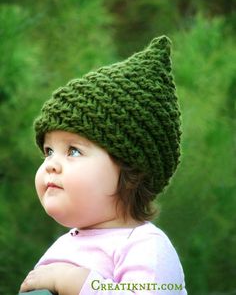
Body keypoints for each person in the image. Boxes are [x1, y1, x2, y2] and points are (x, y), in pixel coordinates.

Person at [19, 36, 187, 294]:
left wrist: (76, 283)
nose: (51, 163)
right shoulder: (66, 245)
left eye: (73, 150)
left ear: (132, 171)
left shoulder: (146, 246)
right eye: (48, 151)